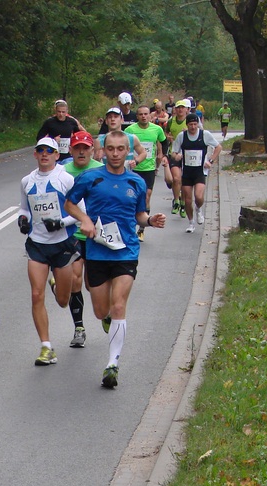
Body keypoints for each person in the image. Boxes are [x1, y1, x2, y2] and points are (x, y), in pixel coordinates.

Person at [64, 130, 167, 388]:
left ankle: (112, 364)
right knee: (101, 311)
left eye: (121, 149)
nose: (116, 153)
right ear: (103, 151)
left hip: (126, 251)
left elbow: (140, 215)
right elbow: (69, 204)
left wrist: (150, 221)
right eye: (111, 149)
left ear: (127, 151)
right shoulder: (91, 178)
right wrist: (85, 220)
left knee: (119, 305)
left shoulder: (137, 182)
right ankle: (108, 317)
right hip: (98, 252)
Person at [18, 137, 79, 365]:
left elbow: (80, 212)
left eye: (49, 151)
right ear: (35, 154)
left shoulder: (66, 179)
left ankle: (57, 285)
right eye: (40, 150)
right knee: (36, 294)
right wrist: (23, 220)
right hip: (37, 244)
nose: (44, 154)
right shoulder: (26, 181)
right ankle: (46, 347)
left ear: (56, 155)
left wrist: (61, 223)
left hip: (62, 243)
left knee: (63, 301)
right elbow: (23, 208)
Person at [60, 130, 104, 348]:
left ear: (92, 150)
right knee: (75, 280)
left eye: (85, 148)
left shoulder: (101, 170)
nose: (81, 152)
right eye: (77, 148)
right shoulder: (62, 171)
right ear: (71, 150)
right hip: (73, 234)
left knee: (91, 285)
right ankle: (79, 328)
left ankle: (104, 313)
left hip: (98, 235)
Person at [171, 112, 221, 233]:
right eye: (190, 125)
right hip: (187, 171)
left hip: (200, 171)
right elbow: (173, 152)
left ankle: (199, 209)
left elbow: (218, 147)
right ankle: (191, 222)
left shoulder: (205, 135)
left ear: (198, 124)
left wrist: (210, 161)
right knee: (188, 200)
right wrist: (176, 156)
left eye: (195, 124)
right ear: (187, 125)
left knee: (198, 197)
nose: (193, 127)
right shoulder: (182, 136)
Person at [125, 105, 167, 240]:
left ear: (150, 115)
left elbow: (164, 142)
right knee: (131, 197)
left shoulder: (157, 129)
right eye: (140, 114)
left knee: (146, 197)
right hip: (133, 169)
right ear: (137, 116)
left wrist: (163, 155)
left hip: (149, 169)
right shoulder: (130, 130)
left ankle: (142, 229)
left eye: (146, 114)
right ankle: (131, 223)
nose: (143, 116)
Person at [164, 99, 192, 218]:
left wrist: (189, 132)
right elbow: (165, 133)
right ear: (175, 109)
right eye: (178, 107)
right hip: (174, 153)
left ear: (187, 110)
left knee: (184, 181)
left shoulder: (191, 121)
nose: (180, 110)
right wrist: (168, 137)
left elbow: (199, 134)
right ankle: (176, 201)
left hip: (188, 155)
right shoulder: (171, 121)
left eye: (182, 107)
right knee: (176, 179)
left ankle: (183, 203)